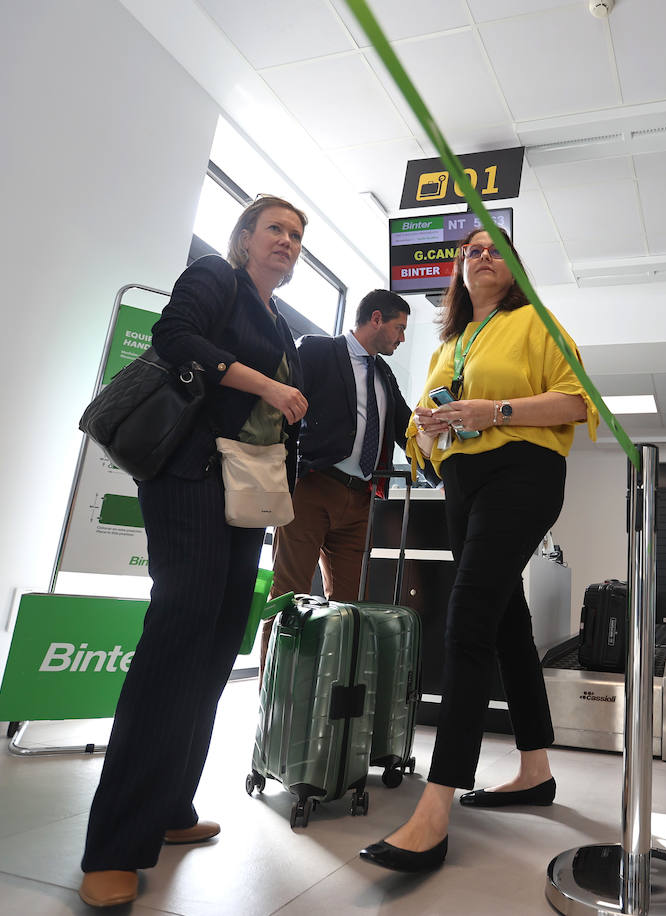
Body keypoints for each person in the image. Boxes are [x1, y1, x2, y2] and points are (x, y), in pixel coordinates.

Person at [78, 196, 309, 908]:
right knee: (177, 644)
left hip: (244, 497)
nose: (287, 242)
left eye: (297, 237)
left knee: (214, 651)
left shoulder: (278, 323)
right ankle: (114, 844)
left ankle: (170, 806)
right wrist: (269, 383)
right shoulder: (216, 278)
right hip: (188, 480)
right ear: (244, 237)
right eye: (276, 229)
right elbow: (175, 337)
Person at [358, 226, 598, 873]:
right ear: (459, 272)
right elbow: (421, 442)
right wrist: (431, 429)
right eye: (471, 251)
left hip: (522, 474)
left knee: (467, 620)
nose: (482, 256)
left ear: (514, 268)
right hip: (462, 486)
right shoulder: (451, 344)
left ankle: (435, 812)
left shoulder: (535, 324)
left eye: (495, 250)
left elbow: (578, 399)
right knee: (506, 624)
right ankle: (536, 770)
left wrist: (496, 411)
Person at [261, 289, 411, 675]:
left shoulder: (384, 373)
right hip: (312, 487)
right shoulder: (316, 350)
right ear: (376, 318)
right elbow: (278, 407)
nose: (402, 338)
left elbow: (404, 429)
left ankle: (328, 701)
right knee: (287, 597)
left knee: (347, 609)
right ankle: (273, 700)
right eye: (399, 328)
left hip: (360, 500)